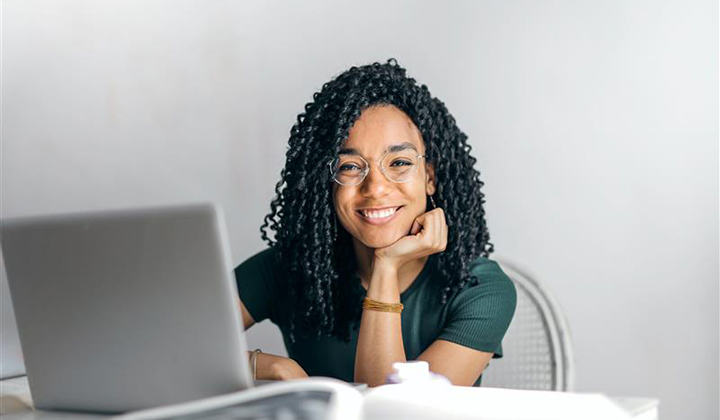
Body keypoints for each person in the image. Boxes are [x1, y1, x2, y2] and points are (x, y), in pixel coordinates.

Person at [234, 59, 516, 387]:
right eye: (350, 167)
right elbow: (169, 346)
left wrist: (386, 265)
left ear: (430, 177)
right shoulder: (289, 268)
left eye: (399, 162)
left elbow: (392, 411)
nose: (376, 188)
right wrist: (274, 368)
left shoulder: (481, 289)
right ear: (326, 182)